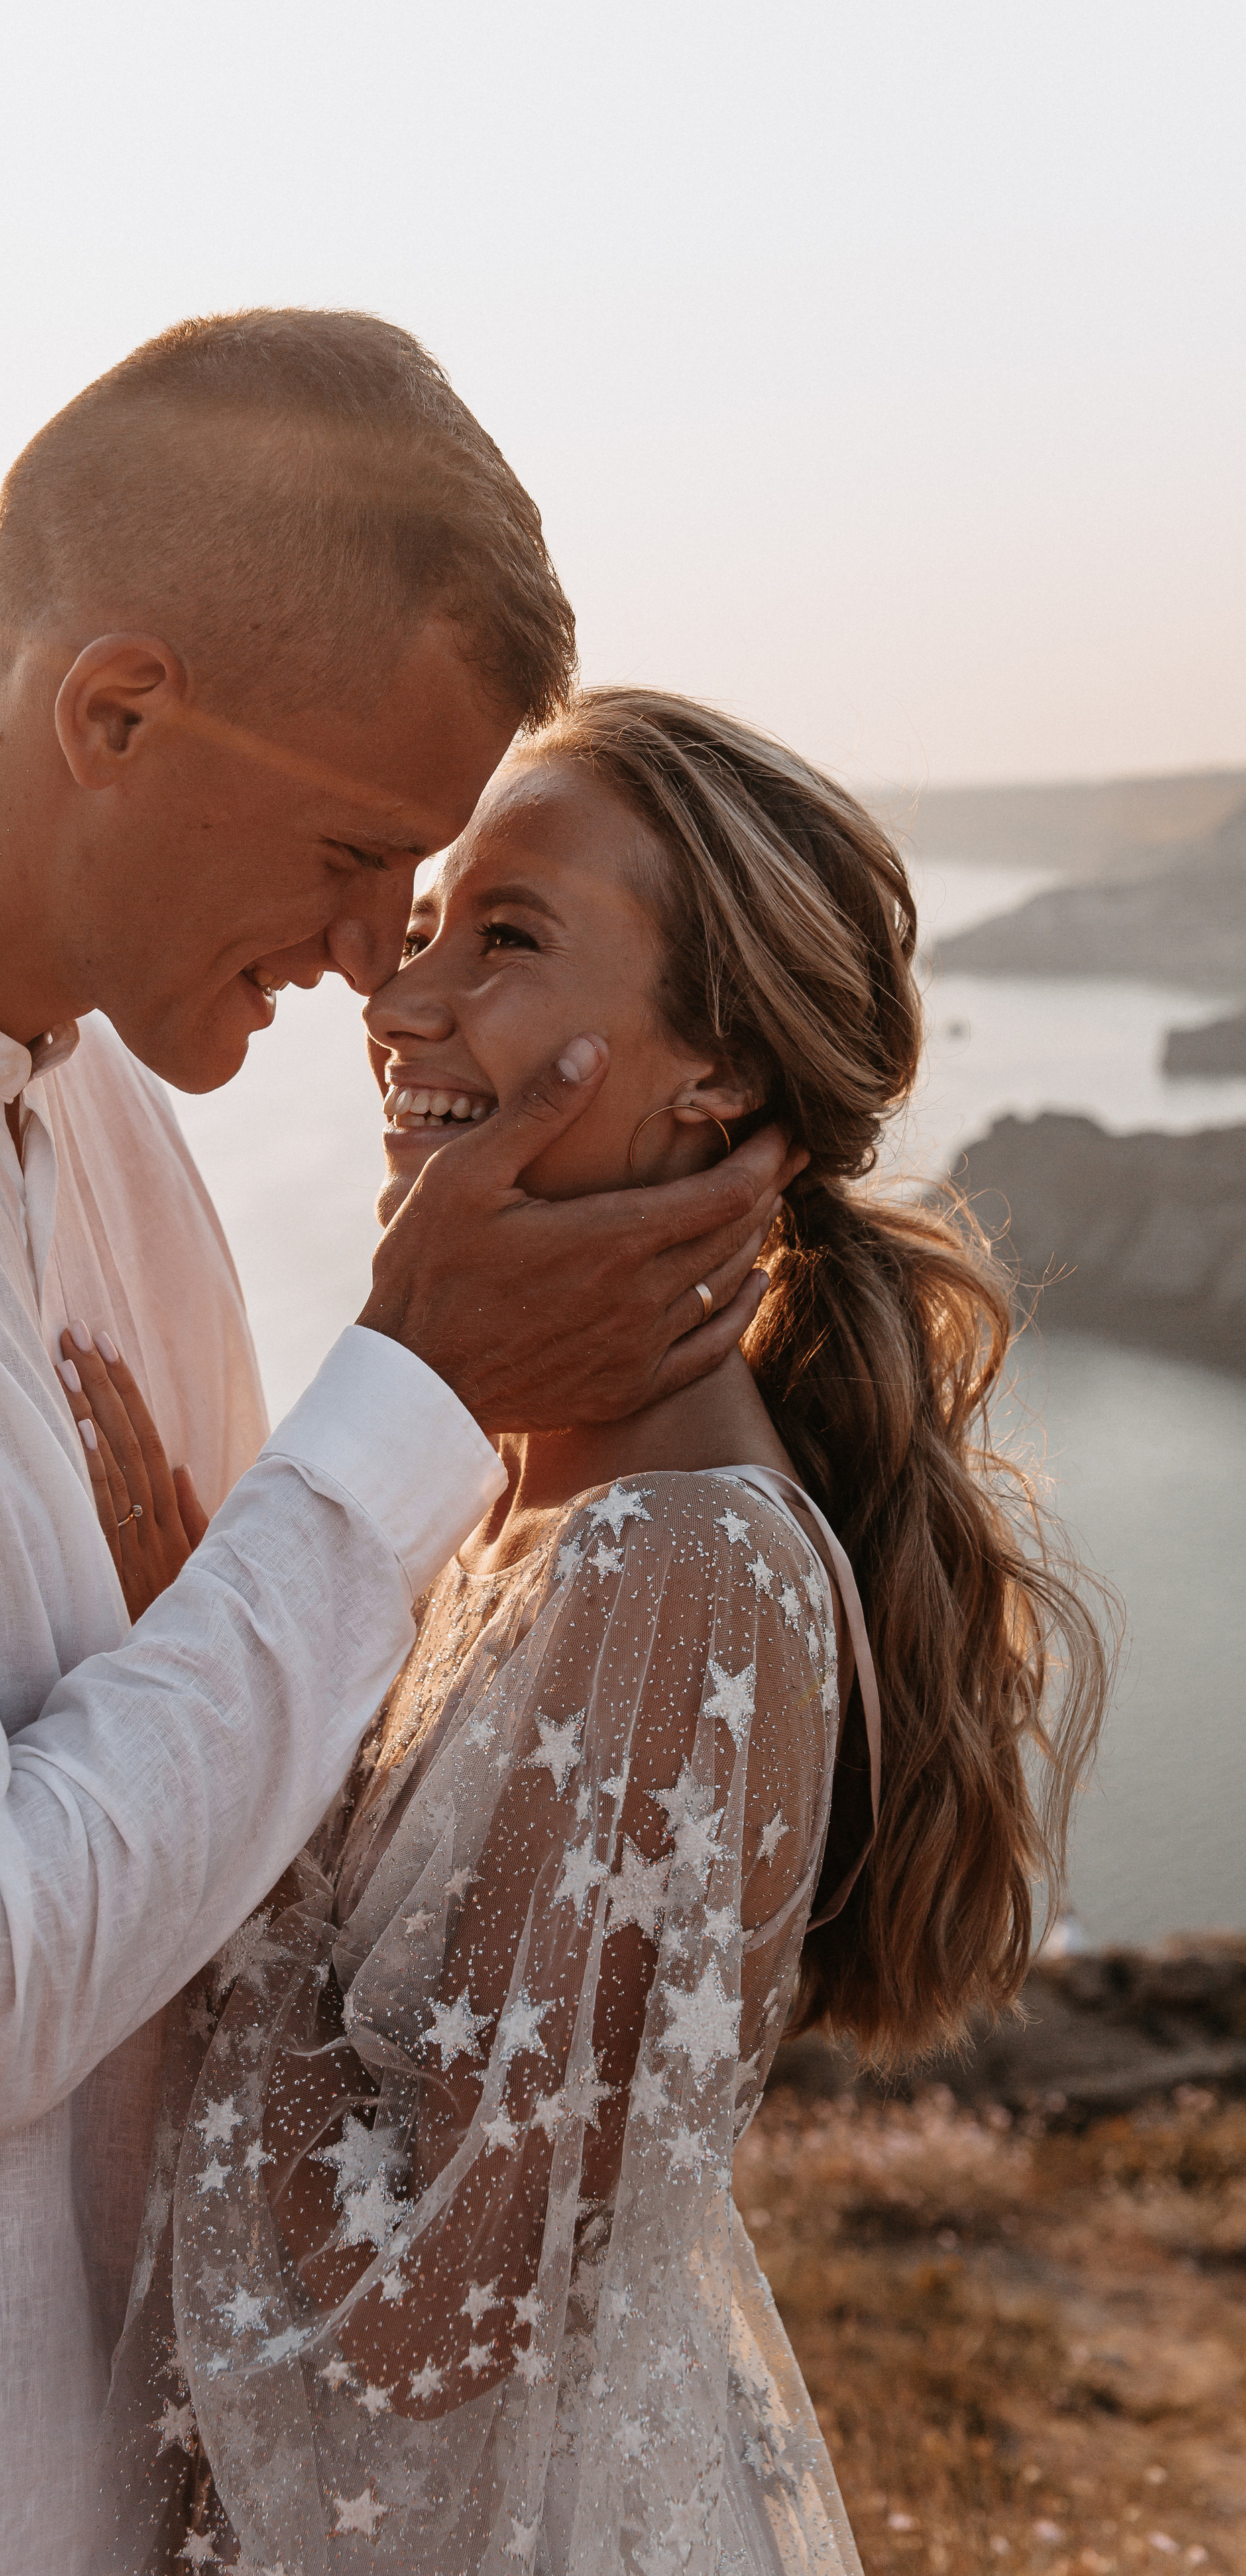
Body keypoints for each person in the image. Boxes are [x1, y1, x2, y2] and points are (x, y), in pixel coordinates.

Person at [0, 319, 792, 2574]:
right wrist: (407, 1391)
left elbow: (236, 1775)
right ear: (110, 712)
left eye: (434, 886)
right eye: (352, 847)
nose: (374, 956)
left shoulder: (104, 1106)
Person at [75, 688, 1112, 2573]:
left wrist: (206, 1723)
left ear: (714, 1077)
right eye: (429, 932)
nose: (401, 1004)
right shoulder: (519, 1506)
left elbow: (432, 2318)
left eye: (511, 938)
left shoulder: (677, 1576)